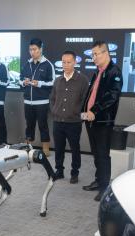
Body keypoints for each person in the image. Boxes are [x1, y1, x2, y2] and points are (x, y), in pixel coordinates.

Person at [81, 40, 122, 201]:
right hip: (90, 119)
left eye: (96, 54)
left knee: (103, 154)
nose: (93, 58)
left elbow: (112, 96)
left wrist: (95, 110)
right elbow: (90, 94)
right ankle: (98, 181)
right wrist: (84, 110)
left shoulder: (114, 72)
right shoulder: (97, 71)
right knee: (96, 153)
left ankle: (105, 187)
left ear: (106, 53)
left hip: (103, 121)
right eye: (92, 55)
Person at [49, 51, 89, 184]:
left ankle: (74, 172)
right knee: (58, 148)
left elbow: (85, 100)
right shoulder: (57, 80)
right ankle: (59, 171)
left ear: (75, 62)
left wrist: (78, 114)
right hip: (58, 121)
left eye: (69, 62)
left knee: (75, 148)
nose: (65, 65)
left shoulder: (82, 80)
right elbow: (52, 99)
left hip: (74, 122)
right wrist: (54, 111)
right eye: (63, 62)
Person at [20, 38, 55, 156]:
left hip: (41, 102)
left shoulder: (48, 64)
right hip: (27, 101)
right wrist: (23, 82)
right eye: (30, 49)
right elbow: (20, 80)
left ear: (40, 49)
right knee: (29, 125)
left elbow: (52, 83)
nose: (32, 52)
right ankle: (28, 147)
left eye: (34, 49)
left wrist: (39, 83)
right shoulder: (27, 64)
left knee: (43, 125)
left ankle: (45, 149)